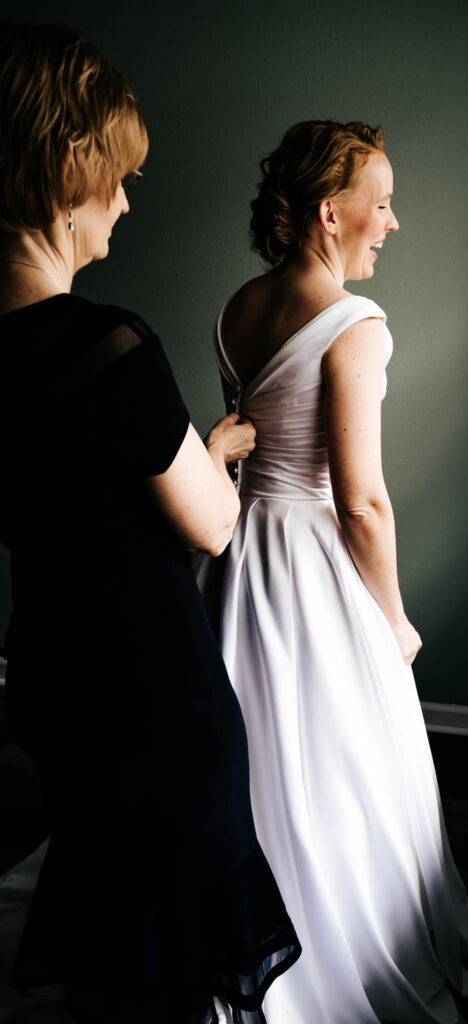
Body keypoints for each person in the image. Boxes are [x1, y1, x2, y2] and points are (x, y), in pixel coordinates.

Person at [0, 22, 300, 1024]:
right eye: (117, 177)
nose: (127, 202)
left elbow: (76, 486)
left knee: (109, 955)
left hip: (56, 693)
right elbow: (213, 527)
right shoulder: (109, 346)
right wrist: (207, 463)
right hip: (151, 713)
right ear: (64, 170)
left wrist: (185, 451)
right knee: (170, 974)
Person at [208, 120, 468, 1023]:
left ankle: (238, 937)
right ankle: (326, 954)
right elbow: (361, 501)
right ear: (332, 213)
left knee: (247, 749)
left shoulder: (239, 306)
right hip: (310, 560)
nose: (394, 221)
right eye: (384, 201)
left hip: (239, 554)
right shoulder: (354, 325)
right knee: (331, 763)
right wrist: (393, 622)